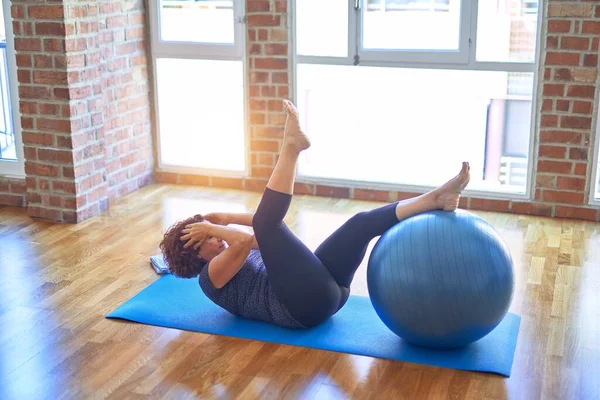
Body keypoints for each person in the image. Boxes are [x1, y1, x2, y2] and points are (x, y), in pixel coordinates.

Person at [159, 100, 471, 329]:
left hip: (328, 292)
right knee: (268, 225)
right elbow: (248, 240)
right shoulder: (209, 279)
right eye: (208, 240)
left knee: (359, 224)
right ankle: (291, 148)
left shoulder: (233, 247)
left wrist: (223, 217)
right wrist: (217, 226)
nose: (216, 238)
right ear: (196, 255)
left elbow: (261, 234)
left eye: (211, 235)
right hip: (302, 309)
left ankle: (434, 198)